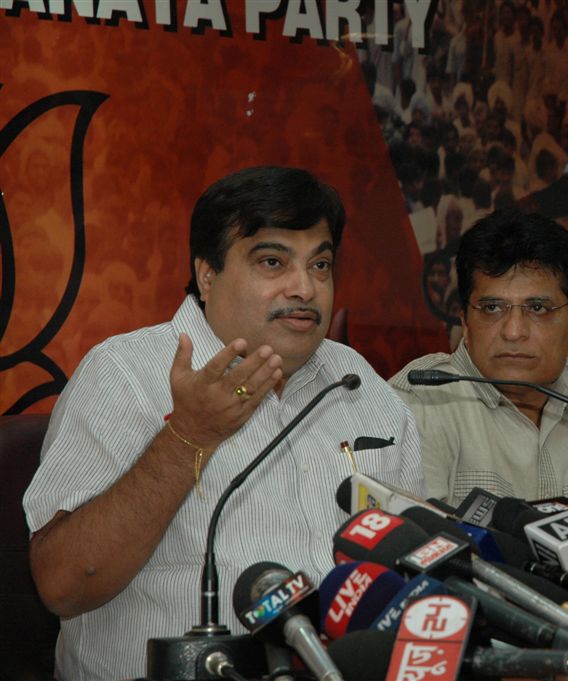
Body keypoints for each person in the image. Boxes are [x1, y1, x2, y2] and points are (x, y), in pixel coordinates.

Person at [23, 166, 425, 681]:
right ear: (207, 273)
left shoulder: (358, 382)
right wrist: (188, 436)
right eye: (273, 261)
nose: (304, 287)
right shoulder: (126, 373)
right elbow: (63, 584)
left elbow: (411, 559)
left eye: (320, 264)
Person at [390, 208, 568, 518]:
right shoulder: (422, 405)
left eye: (537, 308)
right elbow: (418, 553)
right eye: (492, 307)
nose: (513, 332)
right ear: (466, 324)